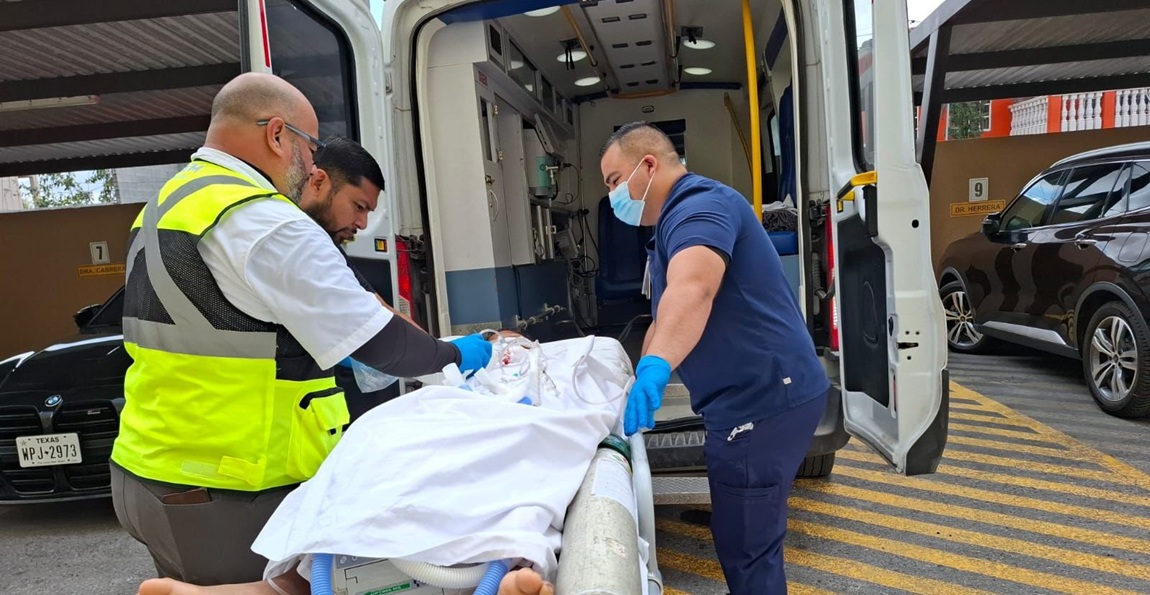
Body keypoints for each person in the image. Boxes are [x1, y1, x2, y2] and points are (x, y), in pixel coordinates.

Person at [112, 72, 492, 587]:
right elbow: (382, 344)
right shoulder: (264, 220)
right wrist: (461, 354)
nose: (313, 166)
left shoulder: (171, 201)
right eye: (310, 147)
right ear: (277, 135)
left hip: (148, 473)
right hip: (230, 488)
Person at [599, 122, 830, 595]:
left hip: (762, 403)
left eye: (615, 181)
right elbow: (665, 314)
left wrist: (658, 368)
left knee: (747, 546)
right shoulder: (671, 225)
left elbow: (693, 288)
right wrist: (639, 370)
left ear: (648, 165)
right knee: (740, 535)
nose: (612, 197)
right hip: (744, 402)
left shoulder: (699, 207)